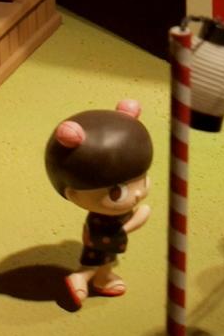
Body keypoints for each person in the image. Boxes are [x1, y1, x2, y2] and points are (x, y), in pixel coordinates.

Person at [44, 98, 153, 308]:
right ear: (73, 195)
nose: (138, 194)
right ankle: (79, 279)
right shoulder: (102, 221)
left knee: (106, 260)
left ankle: (103, 279)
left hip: (101, 241)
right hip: (101, 240)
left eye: (143, 179)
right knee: (93, 264)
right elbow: (118, 231)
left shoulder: (104, 216)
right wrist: (137, 220)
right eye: (117, 192)